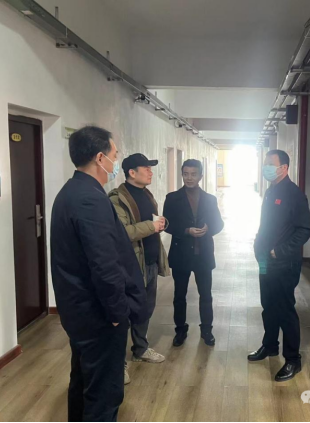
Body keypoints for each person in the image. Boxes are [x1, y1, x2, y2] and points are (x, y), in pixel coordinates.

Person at [51, 126, 146, 423]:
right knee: (104, 393)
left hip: (80, 311)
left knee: (83, 382)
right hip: (98, 315)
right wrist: (117, 313)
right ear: (100, 158)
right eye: (115, 155)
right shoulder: (89, 199)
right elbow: (105, 265)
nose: (116, 161)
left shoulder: (72, 191)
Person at [249, 150, 310, 383]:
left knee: (285, 308)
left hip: (284, 263)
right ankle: (270, 345)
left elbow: (305, 229)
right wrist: (259, 245)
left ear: (284, 168)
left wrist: (280, 250)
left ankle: (293, 359)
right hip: (265, 261)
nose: (266, 167)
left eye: (270, 164)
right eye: (265, 163)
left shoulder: (294, 194)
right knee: (268, 304)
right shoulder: (271, 191)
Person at [109, 154, 171, 384]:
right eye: (146, 168)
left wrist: (161, 223)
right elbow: (122, 232)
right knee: (126, 311)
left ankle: (140, 349)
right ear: (132, 173)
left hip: (150, 260)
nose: (150, 172)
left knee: (145, 308)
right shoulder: (117, 199)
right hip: (131, 264)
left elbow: (150, 223)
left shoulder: (146, 194)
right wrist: (151, 226)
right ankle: (118, 363)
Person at [163, 159, 224, 347]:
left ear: (200, 176)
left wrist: (209, 228)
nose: (189, 178)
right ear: (182, 174)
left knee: (205, 294)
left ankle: (207, 329)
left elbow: (219, 223)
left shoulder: (210, 199)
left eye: (193, 174)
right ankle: (180, 330)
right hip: (181, 254)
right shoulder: (172, 198)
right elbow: (167, 224)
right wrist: (186, 230)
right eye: (186, 174)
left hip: (203, 255)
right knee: (179, 295)